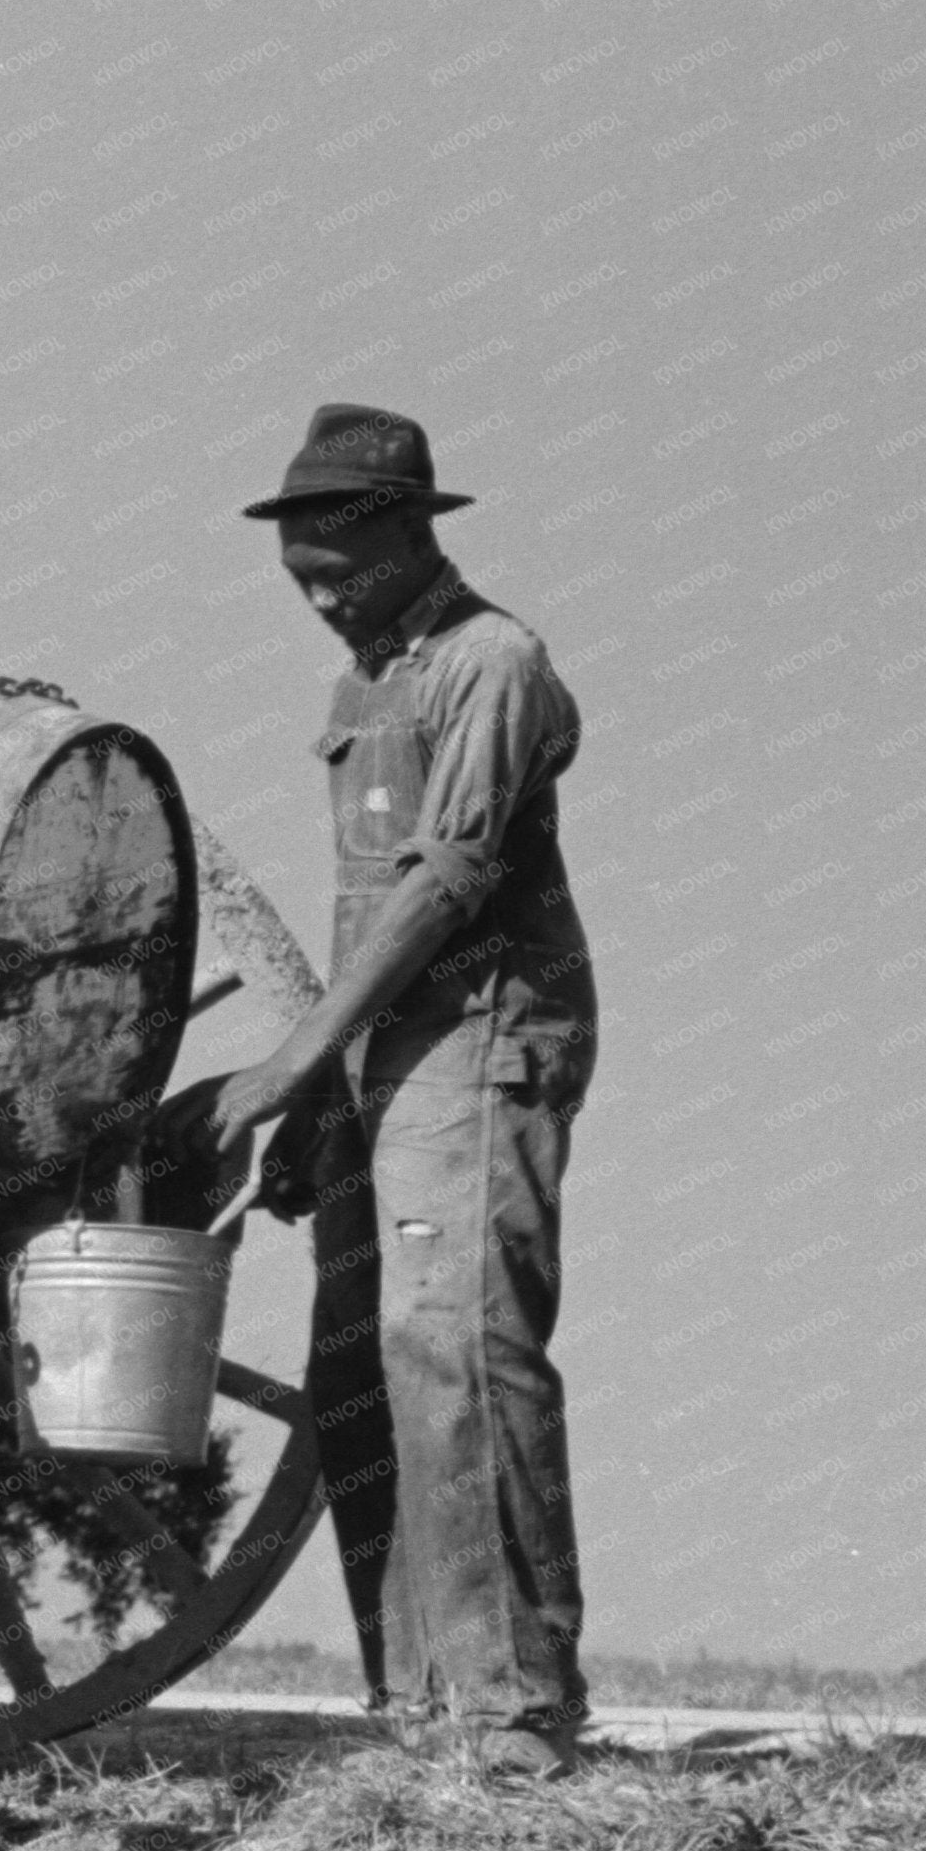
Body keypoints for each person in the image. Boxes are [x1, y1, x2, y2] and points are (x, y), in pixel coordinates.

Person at [166, 402, 600, 1777]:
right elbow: (364, 911)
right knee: (353, 1367)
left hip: (478, 1042)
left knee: (452, 1345)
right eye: (297, 580)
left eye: (336, 571)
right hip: (378, 1059)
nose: (318, 600)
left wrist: (295, 1058)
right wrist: (323, 1089)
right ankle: (411, 1701)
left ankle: (514, 1709)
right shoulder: (362, 684)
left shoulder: (493, 664)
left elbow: (447, 880)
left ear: (408, 531)